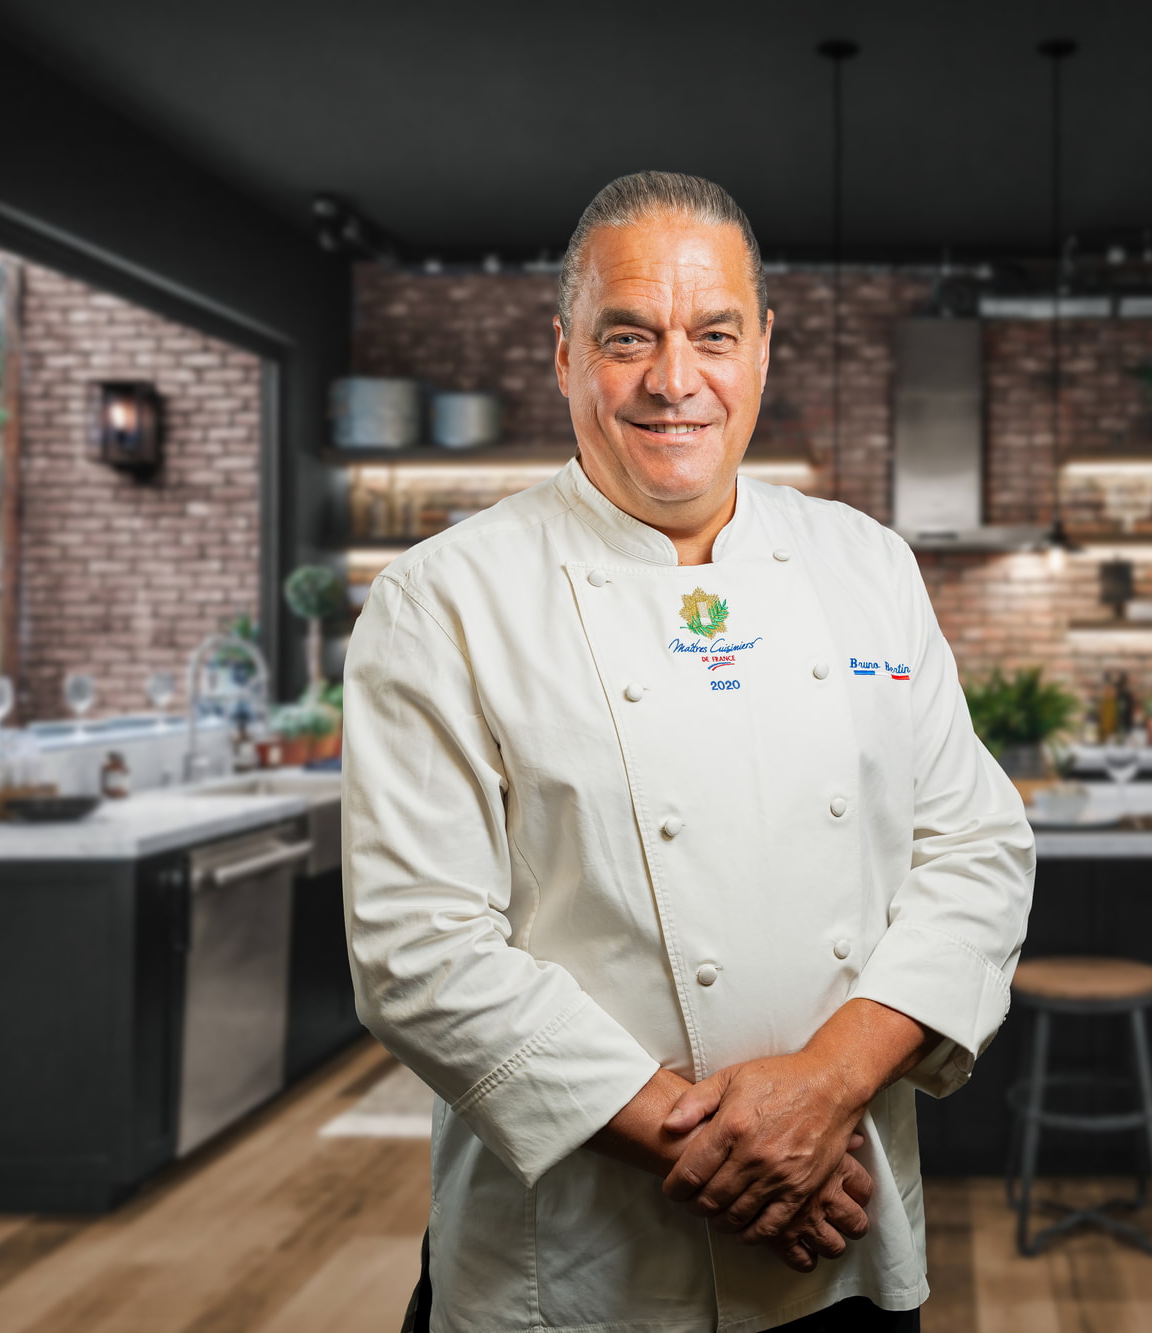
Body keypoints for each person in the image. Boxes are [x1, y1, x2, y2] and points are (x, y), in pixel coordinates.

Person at [343, 171, 1035, 1333]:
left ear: (762, 350)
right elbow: (420, 950)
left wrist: (822, 1093)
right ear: (563, 354)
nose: (675, 379)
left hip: (841, 1245)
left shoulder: (865, 566)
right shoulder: (443, 600)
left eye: (712, 334)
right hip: (572, 1273)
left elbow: (975, 846)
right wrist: (742, 1155)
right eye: (627, 337)